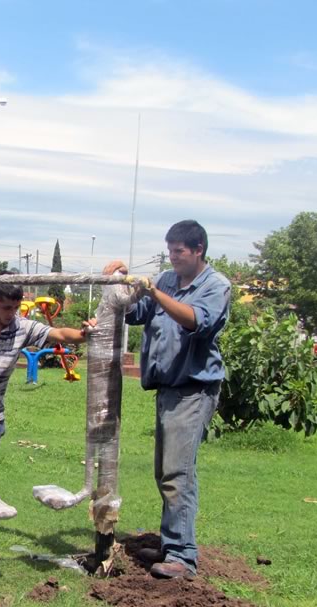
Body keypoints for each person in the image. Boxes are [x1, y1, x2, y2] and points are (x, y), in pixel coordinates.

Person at [103, 220, 231, 578]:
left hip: (194, 389)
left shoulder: (215, 286)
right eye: (170, 250)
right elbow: (136, 313)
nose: (173, 257)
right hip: (168, 389)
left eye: (179, 251)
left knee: (178, 473)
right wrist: (121, 284)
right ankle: (171, 542)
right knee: (165, 471)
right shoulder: (166, 279)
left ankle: (182, 556)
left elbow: (197, 322)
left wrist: (155, 293)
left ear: (198, 250)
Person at [0, 284, 94, 544]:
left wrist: (84, 334)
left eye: (16, 308)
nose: (11, 313)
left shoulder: (22, 327)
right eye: (6, 307)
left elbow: (59, 333)